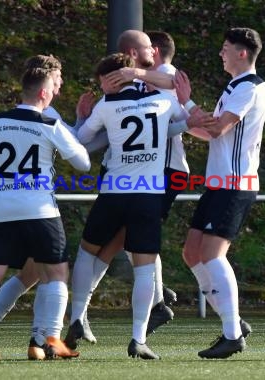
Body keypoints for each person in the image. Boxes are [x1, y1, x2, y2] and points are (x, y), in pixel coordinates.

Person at [70, 52, 207, 359]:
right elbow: (176, 122)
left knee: (86, 252)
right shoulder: (162, 102)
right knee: (145, 270)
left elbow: (80, 139)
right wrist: (186, 112)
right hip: (148, 194)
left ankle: (77, 316)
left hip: (113, 192)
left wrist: (82, 117)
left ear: (113, 80)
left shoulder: (106, 105)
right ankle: (138, 339)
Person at [0, 64, 90, 361]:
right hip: (40, 210)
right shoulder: (48, 124)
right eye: (55, 87)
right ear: (44, 92)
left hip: (4, 210)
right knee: (57, 273)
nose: (57, 92)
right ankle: (53, 339)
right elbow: (82, 163)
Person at [174, 27, 265, 359]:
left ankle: (232, 334)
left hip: (235, 184)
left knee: (213, 254)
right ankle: (234, 323)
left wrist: (187, 102)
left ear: (242, 53)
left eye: (226, 48)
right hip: (217, 184)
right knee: (192, 253)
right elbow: (211, 132)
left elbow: (219, 126)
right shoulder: (234, 86)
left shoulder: (250, 87)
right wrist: (185, 118)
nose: (221, 53)